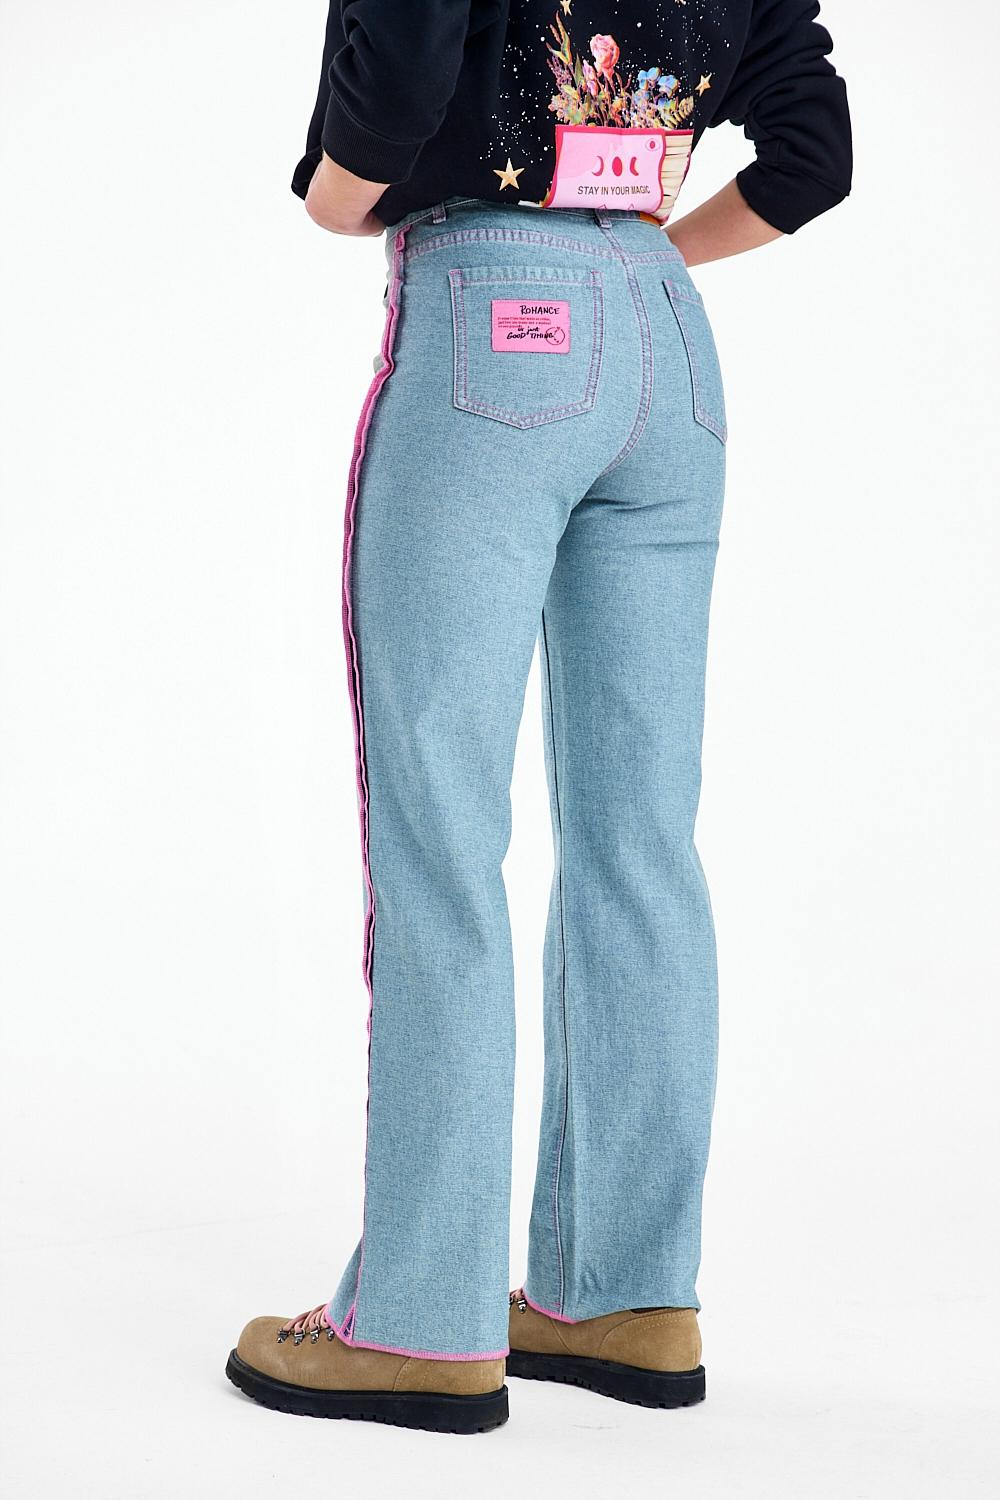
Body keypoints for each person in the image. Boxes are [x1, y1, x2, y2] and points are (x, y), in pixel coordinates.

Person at [225, 0, 851, 1434]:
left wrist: (334, 198)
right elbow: (814, 154)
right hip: (670, 346)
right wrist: (638, 259)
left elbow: (398, 72)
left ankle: (421, 1321)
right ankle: (625, 1296)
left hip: (490, 318)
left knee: (440, 836)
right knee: (642, 844)